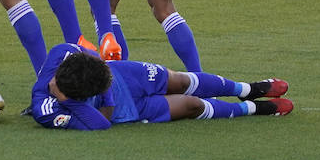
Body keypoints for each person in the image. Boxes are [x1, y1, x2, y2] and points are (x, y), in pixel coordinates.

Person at [30, 42, 292, 129]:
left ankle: (248, 89)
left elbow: (94, 60)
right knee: (191, 104)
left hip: (126, 75)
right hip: (130, 110)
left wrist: (106, 81)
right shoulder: (47, 110)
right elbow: (101, 123)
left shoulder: (62, 53)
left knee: (181, 80)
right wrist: (68, 100)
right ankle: (254, 109)